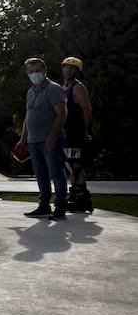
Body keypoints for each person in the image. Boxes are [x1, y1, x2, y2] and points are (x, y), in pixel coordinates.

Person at [21, 57, 68, 221]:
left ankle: (61, 207)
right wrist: (23, 138)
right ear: (27, 73)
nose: (34, 74)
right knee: (40, 174)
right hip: (33, 141)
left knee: (56, 173)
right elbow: (28, 116)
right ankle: (44, 206)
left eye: (37, 70)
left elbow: (62, 113)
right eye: (31, 71)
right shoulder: (30, 91)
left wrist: (53, 136)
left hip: (50, 140)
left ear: (45, 71)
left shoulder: (53, 88)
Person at [60, 56, 93, 188]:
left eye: (72, 68)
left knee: (76, 165)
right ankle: (75, 192)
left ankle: (81, 195)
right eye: (66, 67)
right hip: (64, 133)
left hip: (75, 133)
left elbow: (87, 110)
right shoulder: (62, 89)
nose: (68, 70)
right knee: (68, 165)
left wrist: (84, 129)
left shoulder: (78, 87)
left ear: (77, 72)